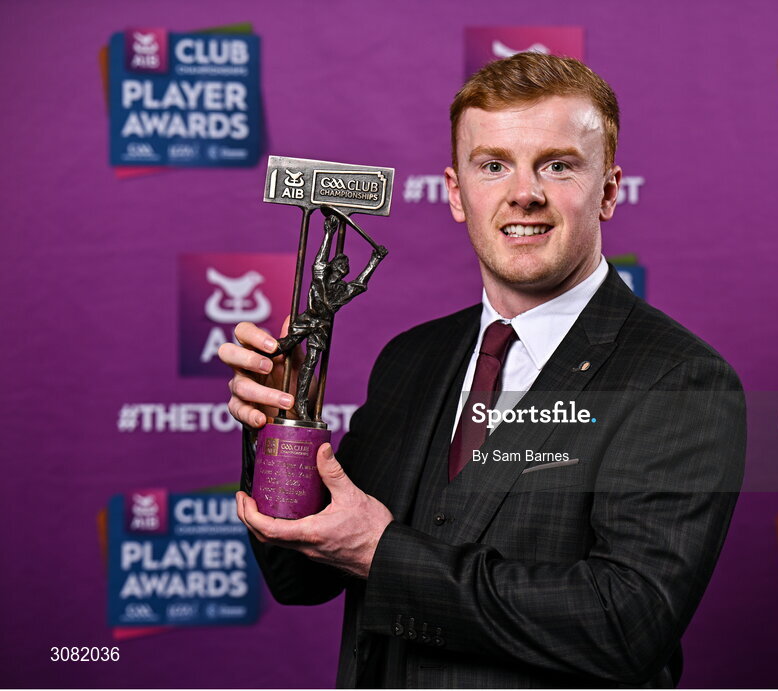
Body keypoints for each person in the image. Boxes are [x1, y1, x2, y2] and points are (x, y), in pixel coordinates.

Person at [220, 52, 745, 687]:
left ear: (607, 192)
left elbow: (621, 625)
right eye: (493, 165)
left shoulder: (678, 379)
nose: (523, 193)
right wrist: (283, 427)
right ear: (456, 193)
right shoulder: (411, 359)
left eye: (557, 165)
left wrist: (382, 553)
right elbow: (299, 578)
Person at [271, 208, 388, 420]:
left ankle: (301, 403)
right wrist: (328, 234)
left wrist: (375, 260)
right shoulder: (321, 279)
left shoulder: (342, 290)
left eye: (347, 264)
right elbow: (319, 262)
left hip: (321, 327)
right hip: (308, 320)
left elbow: (360, 283)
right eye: (342, 262)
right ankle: (264, 361)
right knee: (284, 346)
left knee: (312, 363)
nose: (346, 265)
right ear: (334, 266)